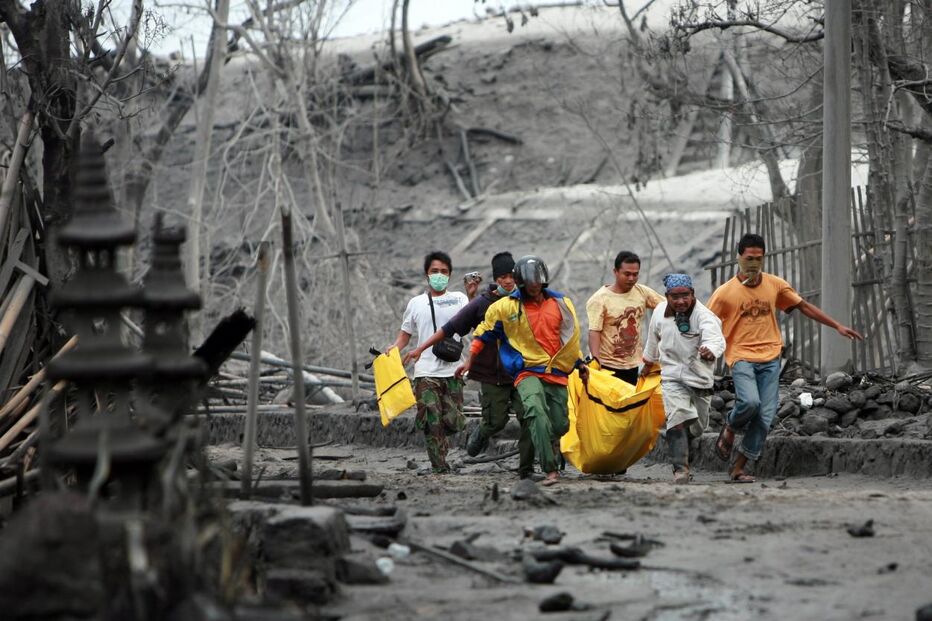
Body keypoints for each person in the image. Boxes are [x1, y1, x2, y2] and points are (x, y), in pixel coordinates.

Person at [707, 234, 863, 482]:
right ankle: (730, 425)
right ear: (738, 258)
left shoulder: (775, 285)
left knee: (765, 417)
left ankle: (738, 468)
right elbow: (706, 324)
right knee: (749, 403)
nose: (754, 264)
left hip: (770, 357)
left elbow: (803, 306)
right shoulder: (724, 293)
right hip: (740, 356)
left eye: (758, 259)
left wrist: (837, 326)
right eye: (749, 258)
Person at [456, 255, 589, 486]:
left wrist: (579, 363)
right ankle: (549, 470)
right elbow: (482, 333)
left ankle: (550, 452)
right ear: (521, 284)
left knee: (560, 424)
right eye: (529, 284)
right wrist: (469, 361)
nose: (534, 288)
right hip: (526, 371)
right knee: (535, 411)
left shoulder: (561, 304)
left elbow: (567, 340)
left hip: (555, 371)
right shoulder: (504, 308)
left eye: (537, 283)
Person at [403, 252, 535, 477]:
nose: (508, 281)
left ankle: (526, 470)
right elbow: (453, 328)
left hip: (522, 371)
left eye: (511, 275)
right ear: (496, 278)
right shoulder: (483, 302)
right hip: (491, 374)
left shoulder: (525, 300)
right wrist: (419, 348)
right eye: (502, 276)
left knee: (529, 417)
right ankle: (478, 437)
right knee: (495, 421)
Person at [388, 251, 469, 474]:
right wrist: (394, 348)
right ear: (427, 274)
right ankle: (439, 466)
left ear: (450, 274)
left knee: (452, 421)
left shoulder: (460, 299)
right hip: (425, 371)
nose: (439, 275)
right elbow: (405, 334)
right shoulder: (416, 303)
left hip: (454, 369)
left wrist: (472, 296)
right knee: (431, 419)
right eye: (435, 271)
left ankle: (442, 455)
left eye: (444, 271)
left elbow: (473, 322)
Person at [642, 273, 725, 484]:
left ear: (693, 294)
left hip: (699, 380)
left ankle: (686, 451)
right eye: (675, 297)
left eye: (685, 296)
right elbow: (653, 340)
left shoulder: (704, 316)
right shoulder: (660, 312)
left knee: (697, 427)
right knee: (678, 417)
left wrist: (710, 350)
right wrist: (648, 363)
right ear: (667, 296)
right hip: (671, 377)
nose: (680, 301)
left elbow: (715, 339)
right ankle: (680, 470)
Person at [587, 251, 664, 385]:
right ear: (615, 272)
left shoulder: (642, 292)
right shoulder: (599, 299)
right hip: (608, 366)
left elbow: (665, 306)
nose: (631, 278)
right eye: (627, 274)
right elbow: (594, 331)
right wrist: (596, 362)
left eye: (635, 274)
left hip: (634, 365)